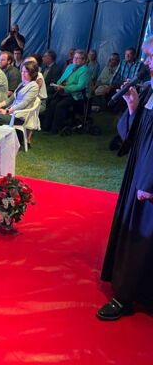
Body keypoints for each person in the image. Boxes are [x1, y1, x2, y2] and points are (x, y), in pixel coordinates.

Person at [97, 36, 153, 321]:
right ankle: (132, 291)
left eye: (151, 56)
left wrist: (148, 183)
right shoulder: (149, 88)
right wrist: (132, 107)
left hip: (148, 178)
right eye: (146, 55)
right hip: (140, 170)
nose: (147, 62)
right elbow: (135, 134)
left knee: (142, 236)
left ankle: (127, 295)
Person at [0, 61, 40, 133]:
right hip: (10, 112)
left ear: (32, 73)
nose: (22, 73)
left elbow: (23, 104)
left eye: (25, 72)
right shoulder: (22, 84)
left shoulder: (34, 86)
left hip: (18, 116)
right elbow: (11, 99)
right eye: (22, 71)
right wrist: (0, 105)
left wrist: (7, 111)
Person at [42, 49, 90, 133]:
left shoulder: (85, 70)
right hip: (63, 92)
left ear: (83, 60)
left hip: (75, 95)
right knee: (52, 103)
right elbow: (62, 78)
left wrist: (65, 87)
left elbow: (80, 86)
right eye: (74, 57)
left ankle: (55, 129)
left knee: (60, 105)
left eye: (78, 58)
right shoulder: (70, 66)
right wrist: (58, 84)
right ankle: (46, 126)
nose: (75, 59)